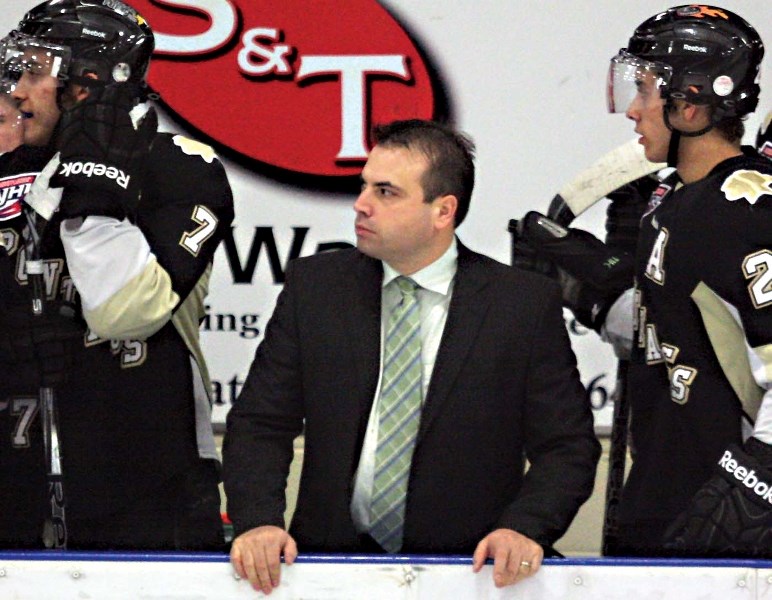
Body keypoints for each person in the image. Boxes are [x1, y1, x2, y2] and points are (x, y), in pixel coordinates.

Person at [223, 119, 600, 595]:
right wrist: (258, 521)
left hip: (470, 572)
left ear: (443, 211)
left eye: (386, 192)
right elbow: (261, 422)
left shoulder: (520, 305)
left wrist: (525, 528)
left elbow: (566, 446)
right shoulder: (316, 288)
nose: (361, 205)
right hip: (327, 567)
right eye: (364, 186)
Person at [0, 0, 234, 550]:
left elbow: (125, 313)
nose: (17, 91)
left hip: (148, 491)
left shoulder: (180, 165)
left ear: (86, 83)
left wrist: (94, 193)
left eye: (34, 72)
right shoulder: (11, 170)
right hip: (14, 489)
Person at [604, 5, 771, 556]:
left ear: (691, 103)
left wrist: (755, 483)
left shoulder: (743, 208)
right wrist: (598, 288)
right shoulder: (672, 201)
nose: (632, 109)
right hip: (663, 501)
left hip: (724, 523)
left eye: (647, 90)